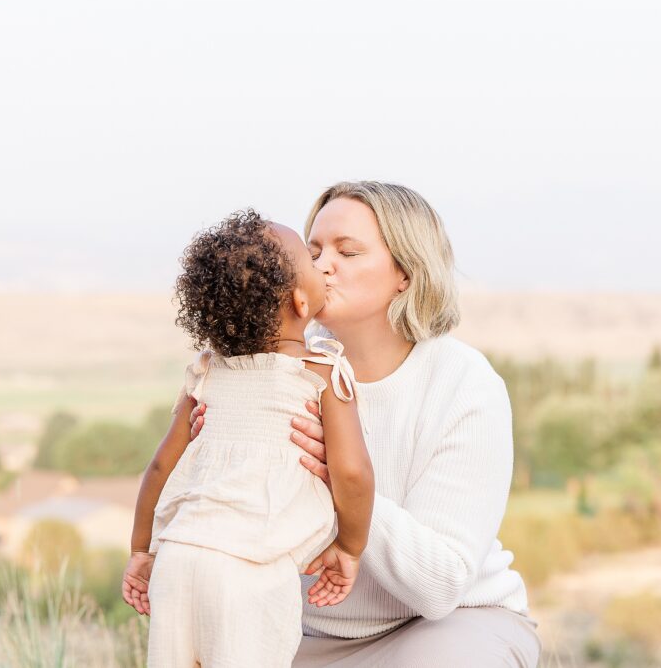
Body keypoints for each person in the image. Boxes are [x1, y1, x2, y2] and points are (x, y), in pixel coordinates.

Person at [189, 182, 541, 667]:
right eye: (312, 251)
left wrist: (344, 478)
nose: (323, 265)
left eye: (348, 251)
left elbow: (439, 586)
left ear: (406, 272)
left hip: (452, 625)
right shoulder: (267, 374)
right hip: (303, 633)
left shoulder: (464, 382)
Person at [123, 210, 375, 668]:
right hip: (250, 571)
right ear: (301, 301)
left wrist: (142, 550)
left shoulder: (206, 372)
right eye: (309, 257)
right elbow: (352, 472)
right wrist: (349, 547)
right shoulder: (322, 371)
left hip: (178, 559)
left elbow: (160, 467)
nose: (322, 266)